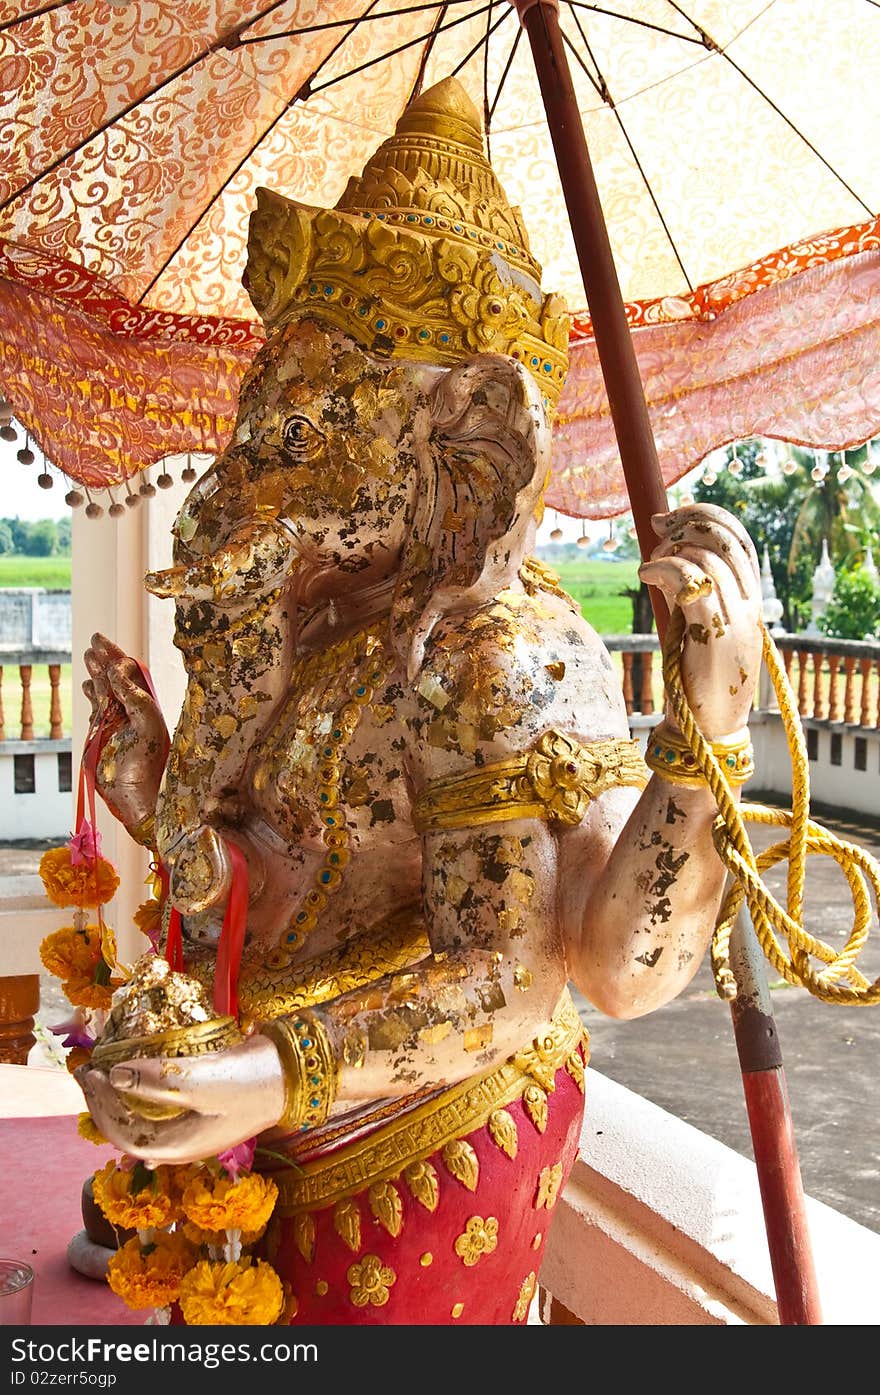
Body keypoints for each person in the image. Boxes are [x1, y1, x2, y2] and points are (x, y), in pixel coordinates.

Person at [78, 78, 762, 1325]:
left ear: (463, 443)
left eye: (304, 420)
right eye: (261, 409)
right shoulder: (328, 629)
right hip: (277, 1122)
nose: (251, 454)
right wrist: (159, 802)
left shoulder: (491, 650)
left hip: (426, 1144)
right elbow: (293, 884)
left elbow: (524, 972)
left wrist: (273, 1071)